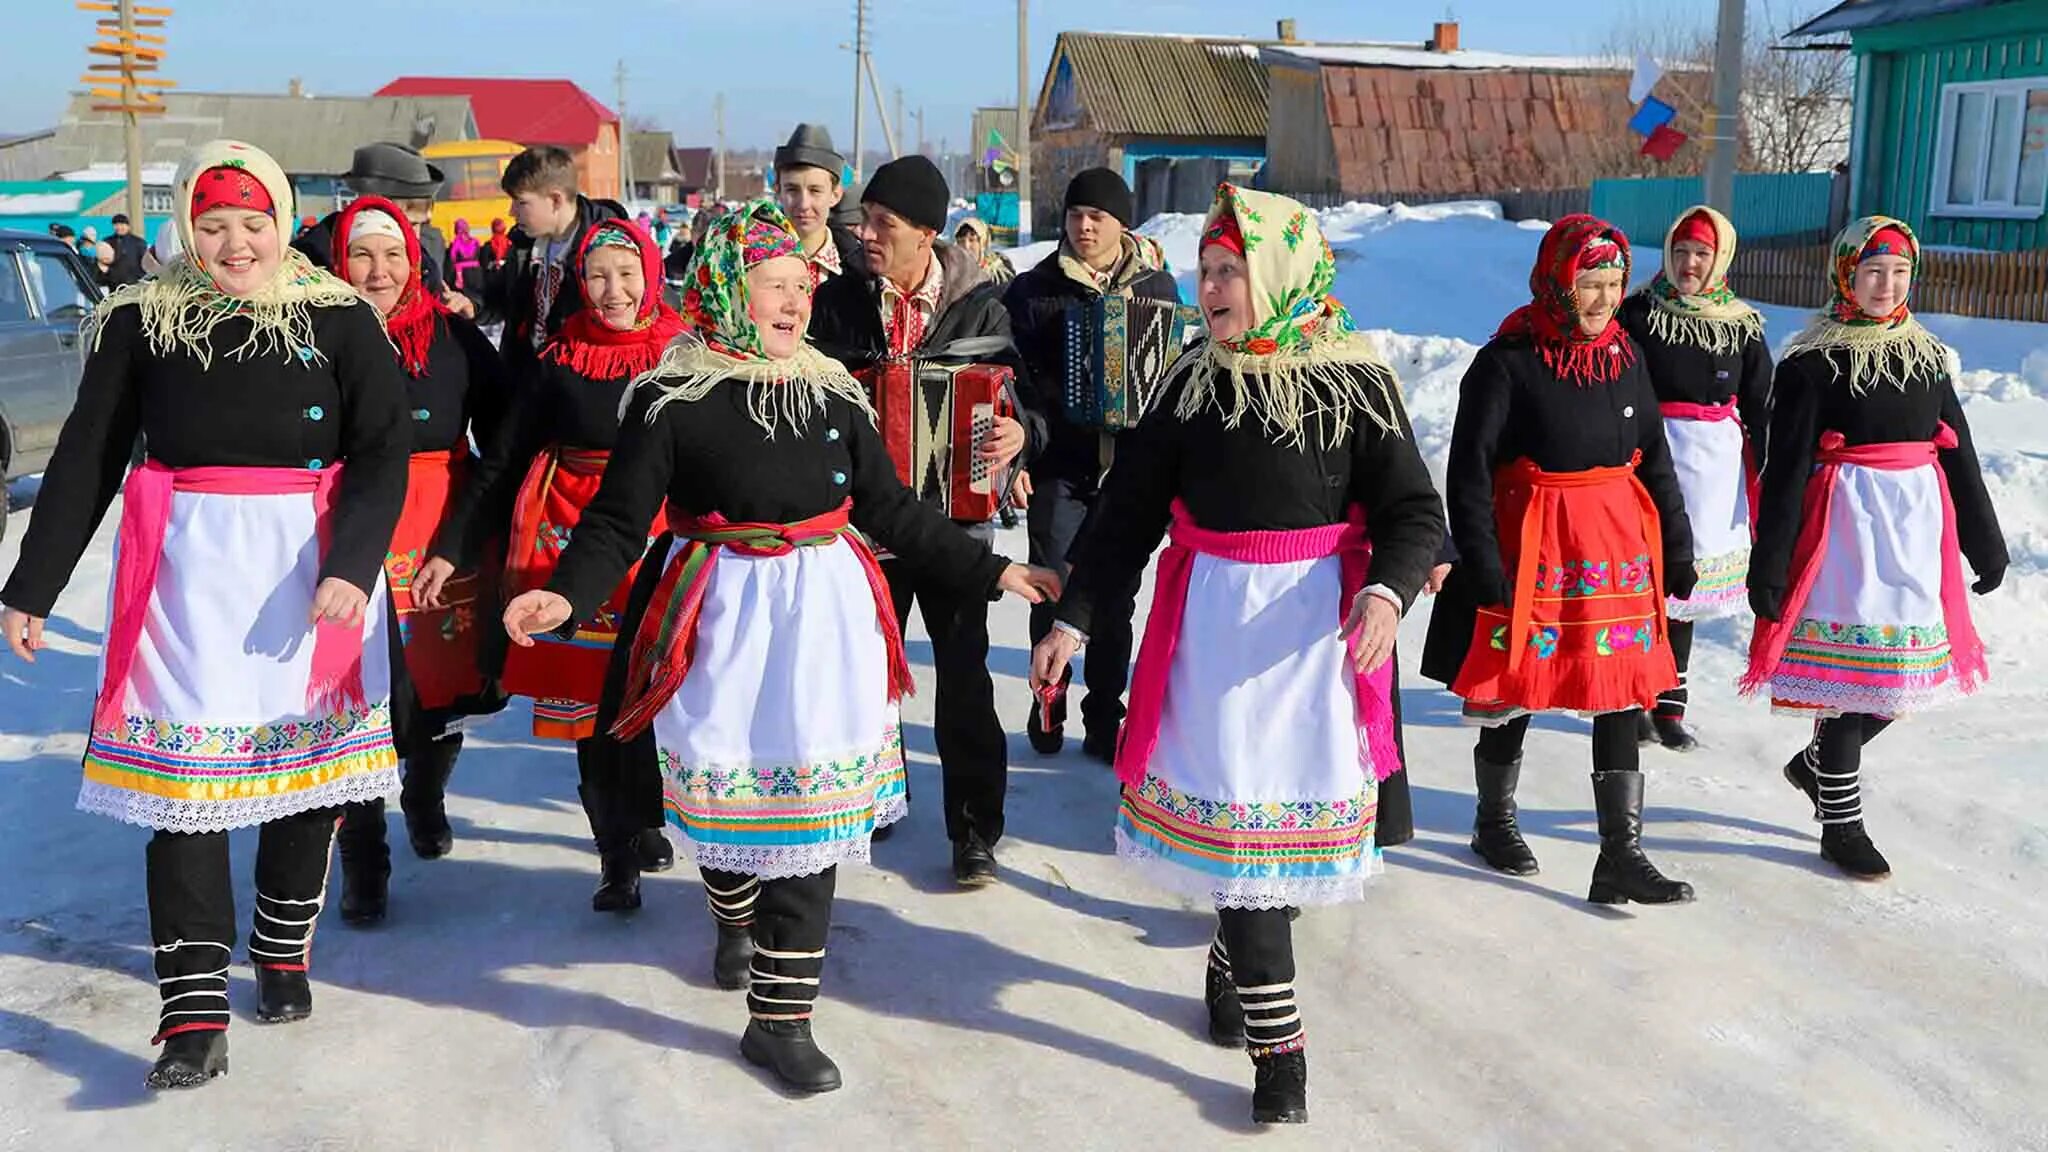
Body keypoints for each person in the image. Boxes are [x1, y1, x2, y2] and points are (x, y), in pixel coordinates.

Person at [505, 200, 1057, 1093]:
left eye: (802, 285)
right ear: (730, 290)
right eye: (774, 285)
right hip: (717, 614)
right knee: (729, 803)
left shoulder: (832, 388)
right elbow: (615, 522)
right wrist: (562, 595)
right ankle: (730, 909)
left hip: (825, 615)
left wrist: (990, 573)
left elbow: (892, 510)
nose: (795, 301)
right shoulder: (672, 395)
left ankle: (781, 1019)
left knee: (811, 812)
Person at [1030, 184, 1445, 1125]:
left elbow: (1414, 513)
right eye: (1206, 270)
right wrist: (1076, 620)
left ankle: (1230, 957)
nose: (1212, 287)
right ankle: (1282, 1053)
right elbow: (1125, 516)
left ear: (1280, 274)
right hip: (1213, 644)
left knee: (1272, 853)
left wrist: (1386, 591)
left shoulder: (1354, 382)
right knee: (1249, 848)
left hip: (1317, 651)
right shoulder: (1187, 383)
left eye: (1232, 271)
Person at [0, 140, 408, 1090]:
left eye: (253, 222)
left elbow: (383, 450)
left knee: (302, 778)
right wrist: (32, 586)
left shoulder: (338, 318)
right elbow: (87, 456)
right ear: (187, 225)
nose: (235, 243)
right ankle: (190, 1011)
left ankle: (279, 946)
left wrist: (353, 565)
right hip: (186, 575)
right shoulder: (143, 320)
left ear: (280, 218)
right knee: (185, 792)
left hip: (312, 573)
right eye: (214, 224)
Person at [1419, 214, 1699, 906]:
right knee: (1518, 690)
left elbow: (1655, 461)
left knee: (1618, 692)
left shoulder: (1625, 355)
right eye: (1588, 284)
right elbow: (1470, 473)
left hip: (1613, 551)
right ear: (1556, 280)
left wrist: (1678, 546)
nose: (1602, 300)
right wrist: (1483, 562)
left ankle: (1620, 854)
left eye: (1612, 284)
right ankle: (1493, 821)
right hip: (1531, 548)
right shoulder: (1508, 361)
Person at [1744, 217, 2004, 881]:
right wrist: (1769, 566)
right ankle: (1842, 825)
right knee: (1848, 684)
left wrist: (1985, 543)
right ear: (1845, 275)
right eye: (1872, 272)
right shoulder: (1812, 362)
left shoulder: (1927, 356)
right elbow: (1786, 468)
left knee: (1898, 680)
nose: (1886, 285)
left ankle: (1815, 767)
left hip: (1916, 531)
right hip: (1845, 535)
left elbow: (1960, 456)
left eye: (1898, 273)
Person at [438, 218, 685, 912]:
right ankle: (615, 855)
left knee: (653, 693)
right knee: (589, 706)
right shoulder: (559, 359)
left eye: (626, 273)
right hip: (572, 537)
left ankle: (648, 817)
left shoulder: (683, 355)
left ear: (650, 274)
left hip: (662, 537)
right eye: (598, 276)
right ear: (579, 281)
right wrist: (455, 544)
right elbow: (506, 456)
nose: (613, 290)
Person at [808, 155, 1033, 887]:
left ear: (928, 235)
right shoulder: (838, 303)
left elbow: (1024, 401)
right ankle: (870, 800)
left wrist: (1019, 434)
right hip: (863, 528)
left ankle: (974, 831)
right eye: (865, 220)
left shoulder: (981, 306)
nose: (866, 235)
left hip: (956, 525)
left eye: (885, 225)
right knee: (865, 674)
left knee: (965, 677)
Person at [320, 196, 511, 925]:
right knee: (354, 703)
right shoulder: (312, 339)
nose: (378, 270)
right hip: (346, 534)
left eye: (392, 255)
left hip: (439, 530)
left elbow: (503, 441)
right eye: (363, 255)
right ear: (340, 262)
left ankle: (424, 795)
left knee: (437, 690)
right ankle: (363, 860)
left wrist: (472, 532)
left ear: (415, 260)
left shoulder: (457, 340)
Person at [1003, 167, 1180, 759]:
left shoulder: (1157, 288)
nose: (1083, 226)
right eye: (1075, 214)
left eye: (1096, 217)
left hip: (1127, 475)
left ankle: (1106, 714)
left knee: (1114, 596)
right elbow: (1011, 384)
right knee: (1052, 587)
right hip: (1060, 465)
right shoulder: (1034, 290)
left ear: (1121, 224)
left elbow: (1172, 375)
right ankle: (1047, 699)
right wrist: (1020, 455)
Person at [1618, 205, 1772, 752]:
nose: (1689, 264)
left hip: (1714, 472)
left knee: (1687, 588)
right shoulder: (1638, 314)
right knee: (1644, 584)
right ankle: (1633, 697)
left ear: (1721, 258)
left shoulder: (1741, 325)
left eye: (1701, 254)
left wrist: (1771, 474)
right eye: (1680, 252)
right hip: (1650, 460)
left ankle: (1670, 705)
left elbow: (1760, 406)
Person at [462, 145, 627, 379]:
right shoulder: (524, 244)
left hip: (580, 385)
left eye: (521, 202)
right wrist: (473, 305)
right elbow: (502, 298)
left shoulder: (610, 248)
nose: (511, 212)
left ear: (555, 200)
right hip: (529, 382)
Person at [291, 143, 456, 296]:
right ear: (369, 210)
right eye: (408, 225)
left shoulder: (424, 264)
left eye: (420, 224)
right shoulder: (310, 258)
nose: (416, 236)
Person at [774, 123, 867, 288]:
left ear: (835, 195)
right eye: (792, 190)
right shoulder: (752, 263)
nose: (803, 204)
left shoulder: (862, 270)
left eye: (815, 191)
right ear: (778, 191)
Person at [953, 217, 1014, 286]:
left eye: (972, 240)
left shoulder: (999, 273)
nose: (966, 246)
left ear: (983, 243)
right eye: (961, 241)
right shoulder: (950, 273)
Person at [104, 213, 148, 287]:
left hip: (134, 284)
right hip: (114, 285)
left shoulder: (138, 242)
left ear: (128, 226)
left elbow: (145, 263)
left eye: (122, 224)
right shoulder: (108, 242)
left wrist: (141, 279)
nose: (119, 227)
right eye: (116, 225)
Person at [446, 218, 483, 293]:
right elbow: (479, 257)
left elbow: (451, 262)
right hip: (476, 274)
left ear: (456, 230)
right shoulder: (476, 242)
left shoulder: (454, 245)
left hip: (461, 275)